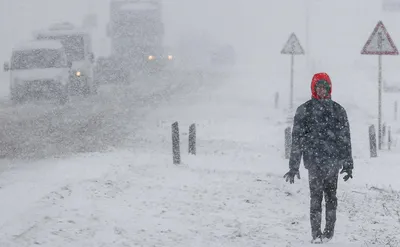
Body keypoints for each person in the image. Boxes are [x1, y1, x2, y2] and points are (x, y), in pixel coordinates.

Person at [283, 72, 354, 243]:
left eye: (325, 87)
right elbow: (297, 141)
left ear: (329, 89)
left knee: (331, 198)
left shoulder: (338, 111)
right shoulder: (304, 110)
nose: (322, 91)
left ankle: (328, 234)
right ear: (313, 89)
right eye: (319, 87)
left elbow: (345, 139)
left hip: (333, 164)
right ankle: (316, 235)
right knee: (315, 198)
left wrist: (348, 163)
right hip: (314, 164)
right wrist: (294, 167)